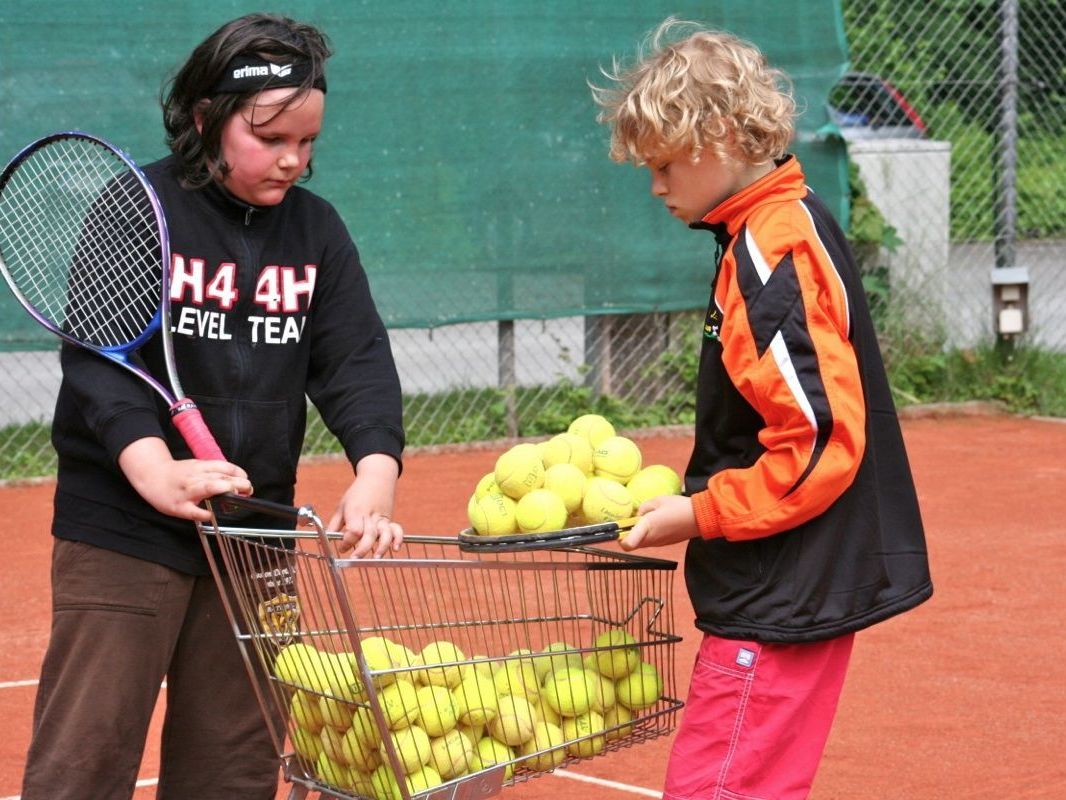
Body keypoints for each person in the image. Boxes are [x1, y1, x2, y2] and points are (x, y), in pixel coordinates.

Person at [21, 13, 405, 800]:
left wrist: (376, 467)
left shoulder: (317, 232)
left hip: (253, 543)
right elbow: (100, 361)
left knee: (231, 773)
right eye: (270, 139)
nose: (293, 160)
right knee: (83, 764)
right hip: (123, 533)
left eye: (309, 141)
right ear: (205, 120)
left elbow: (355, 359)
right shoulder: (139, 209)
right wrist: (152, 466)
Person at [592, 18, 933, 800]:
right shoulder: (779, 222)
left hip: (780, 592)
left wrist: (697, 513)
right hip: (792, 582)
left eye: (664, 164)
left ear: (715, 136)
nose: (655, 186)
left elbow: (818, 443)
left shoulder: (769, 251)